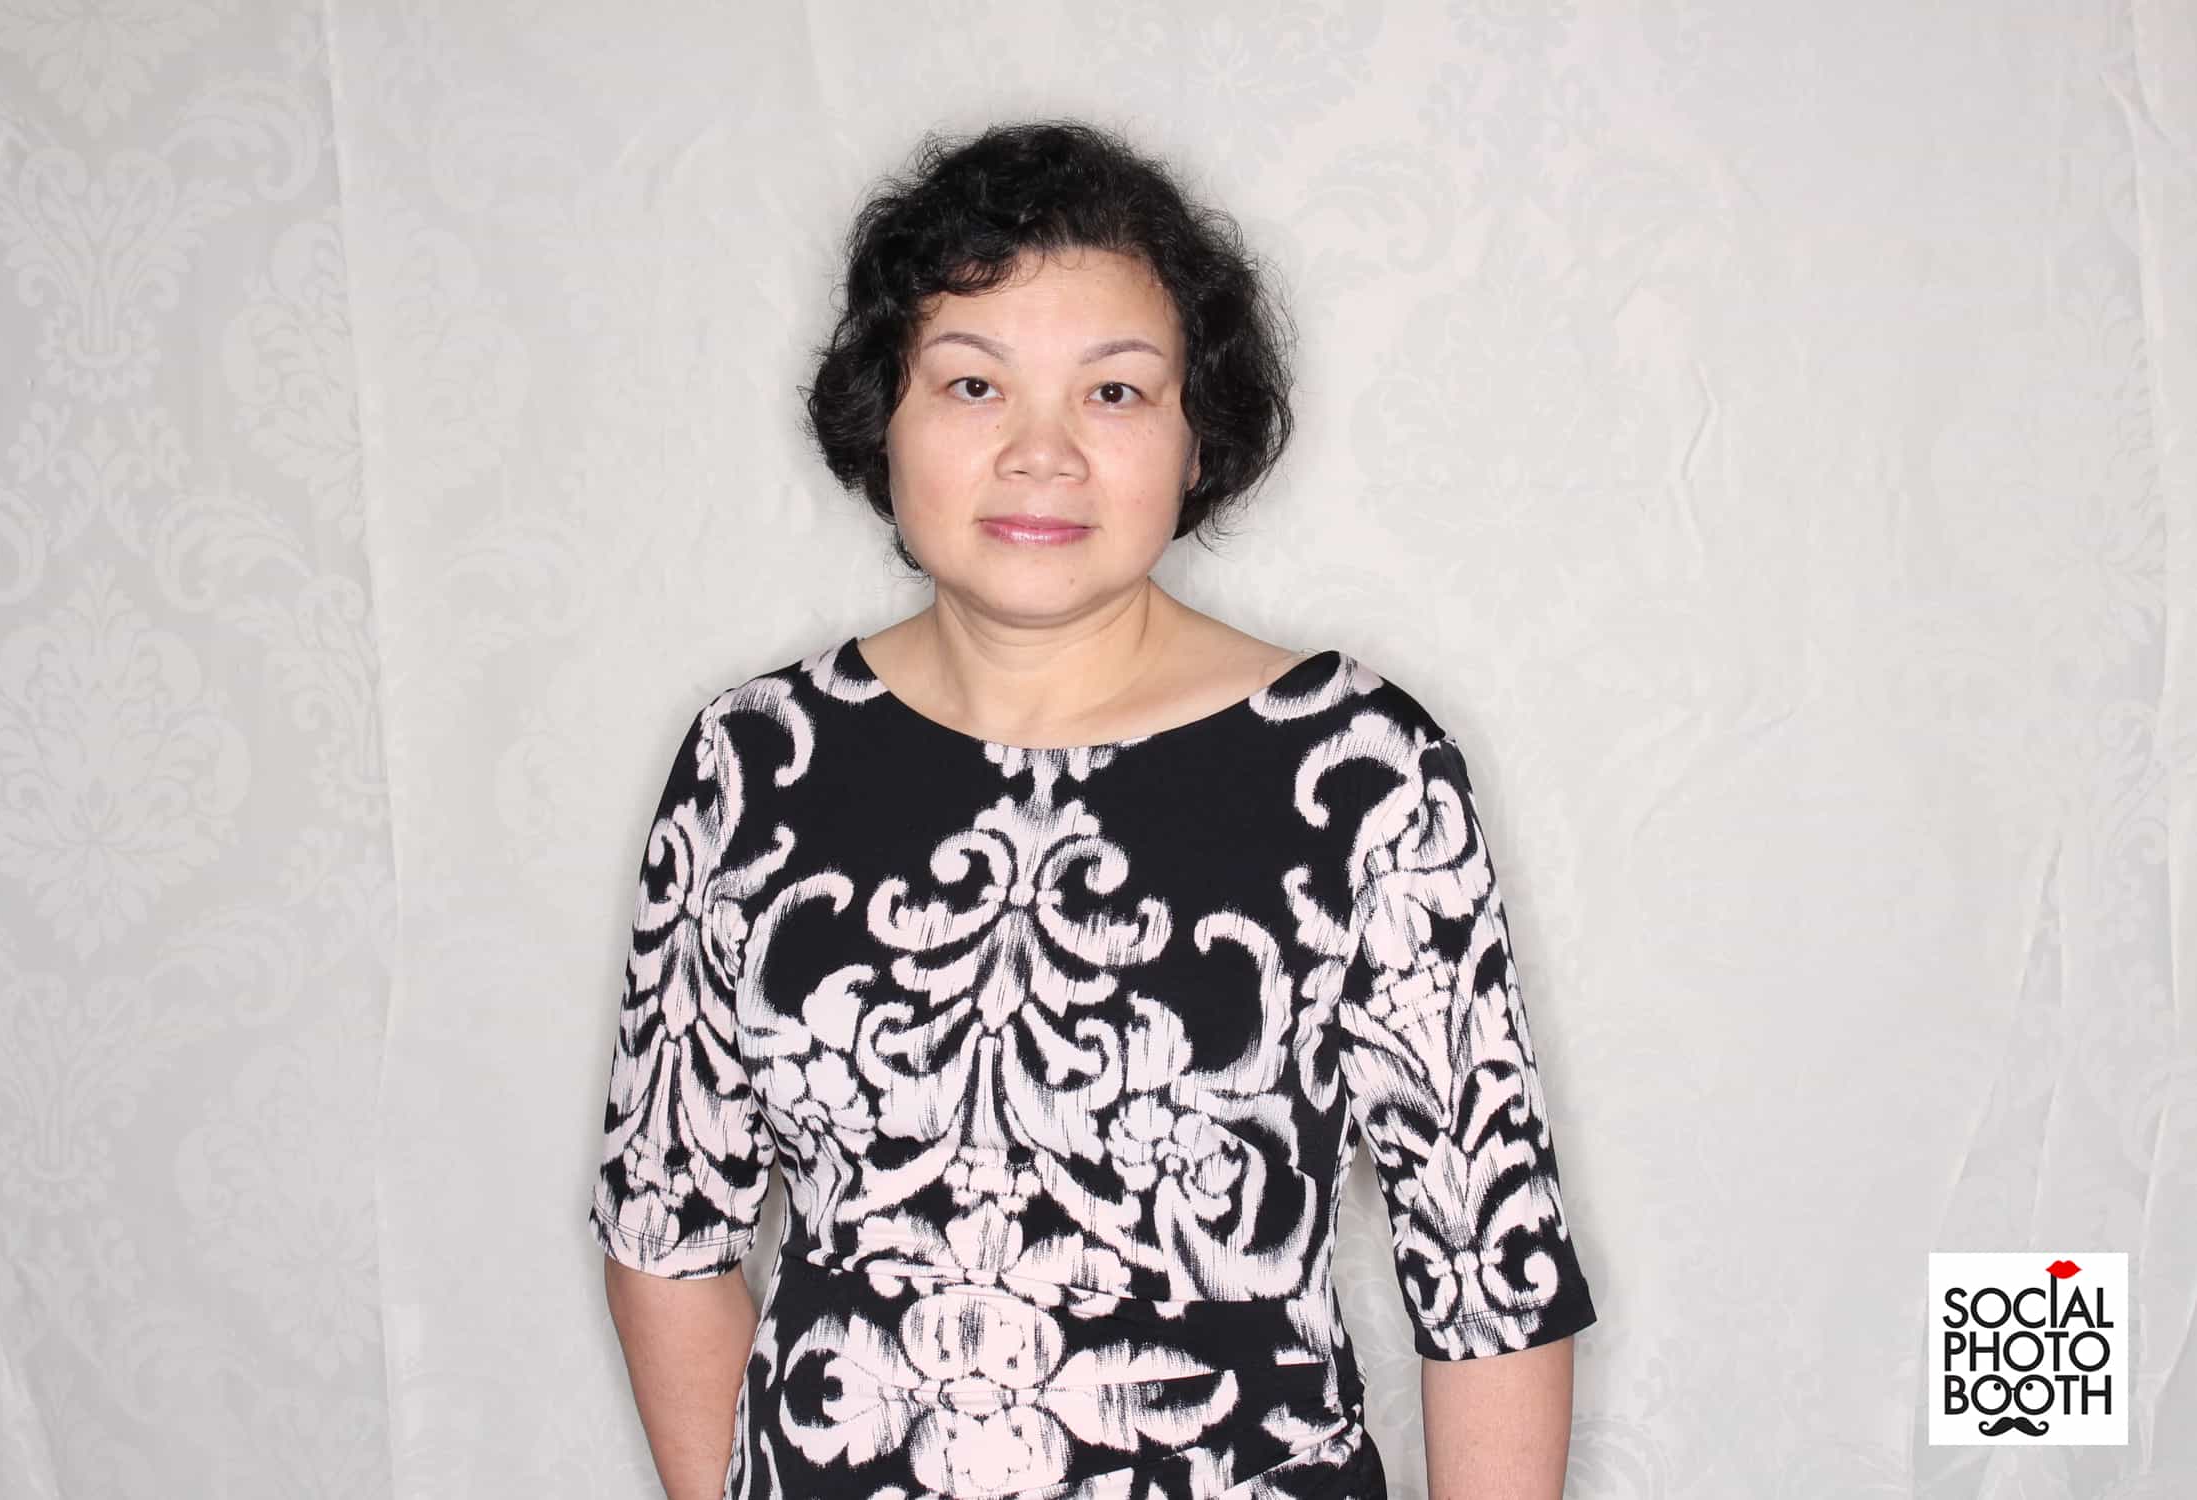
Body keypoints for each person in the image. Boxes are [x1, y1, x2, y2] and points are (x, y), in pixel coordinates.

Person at [589, 118, 1598, 1500]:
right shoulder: (752, 762)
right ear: (884, 419)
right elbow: (664, 1230)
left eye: (1115, 392)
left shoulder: (1360, 772)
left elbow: (1488, 1278)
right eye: (972, 385)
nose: (1042, 453)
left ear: (1196, 438)